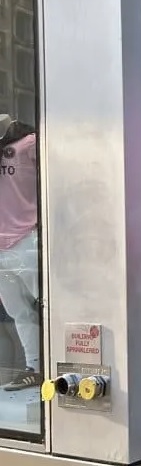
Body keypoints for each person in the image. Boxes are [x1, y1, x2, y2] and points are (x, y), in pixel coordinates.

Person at [0, 117, 39, 390]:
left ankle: (59, 362)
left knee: (48, 305)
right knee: (18, 312)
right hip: (2, 247)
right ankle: (34, 367)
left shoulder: (30, 142)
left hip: (28, 238)